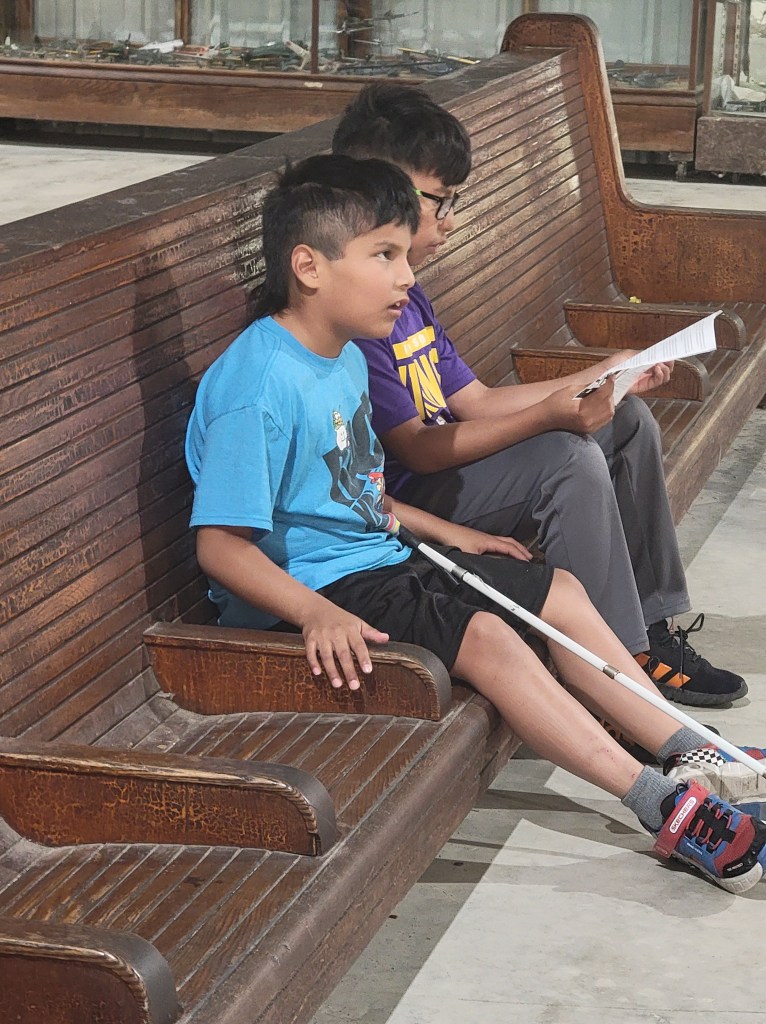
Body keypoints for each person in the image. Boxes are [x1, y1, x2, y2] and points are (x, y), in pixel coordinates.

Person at [185, 153, 766, 894]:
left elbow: (359, 494)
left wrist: (452, 534)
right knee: (489, 639)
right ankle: (662, 804)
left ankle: (694, 751)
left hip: (373, 557)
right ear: (309, 266)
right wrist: (315, 614)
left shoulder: (341, 360)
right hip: (312, 594)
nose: (406, 276)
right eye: (384, 255)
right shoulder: (258, 382)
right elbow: (219, 547)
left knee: (554, 590)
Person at [331, 83, 746, 710]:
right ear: (379, 193)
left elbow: (472, 399)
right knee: (565, 459)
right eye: (440, 201)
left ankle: (652, 628)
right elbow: (419, 451)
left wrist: (600, 373)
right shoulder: (363, 316)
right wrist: (550, 417)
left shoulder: (407, 295)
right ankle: (619, 663)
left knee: (627, 418)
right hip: (417, 503)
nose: (450, 220)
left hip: (456, 467)